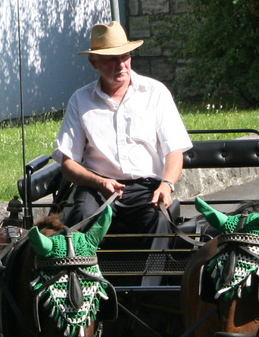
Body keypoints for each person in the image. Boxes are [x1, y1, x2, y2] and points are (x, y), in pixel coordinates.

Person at [55, 21, 192, 246]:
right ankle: (81, 280)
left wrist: (166, 185)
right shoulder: (80, 100)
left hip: (146, 187)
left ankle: (151, 282)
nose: (121, 65)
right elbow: (68, 163)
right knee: (80, 220)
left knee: (159, 219)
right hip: (97, 188)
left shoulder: (155, 93)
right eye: (111, 59)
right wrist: (99, 182)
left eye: (125, 56)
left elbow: (175, 150)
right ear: (94, 62)